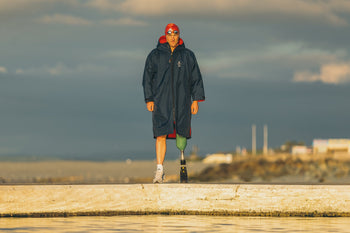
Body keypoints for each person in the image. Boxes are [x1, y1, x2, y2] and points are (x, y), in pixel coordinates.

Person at [142, 23, 205, 183]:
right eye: (169, 34)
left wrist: (196, 100)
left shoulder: (187, 55)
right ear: (165, 35)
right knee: (160, 134)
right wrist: (149, 99)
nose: (172, 36)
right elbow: (147, 78)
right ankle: (159, 170)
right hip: (161, 101)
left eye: (175, 33)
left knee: (182, 132)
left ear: (179, 35)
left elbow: (196, 78)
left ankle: (182, 163)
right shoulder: (155, 55)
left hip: (182, 100)